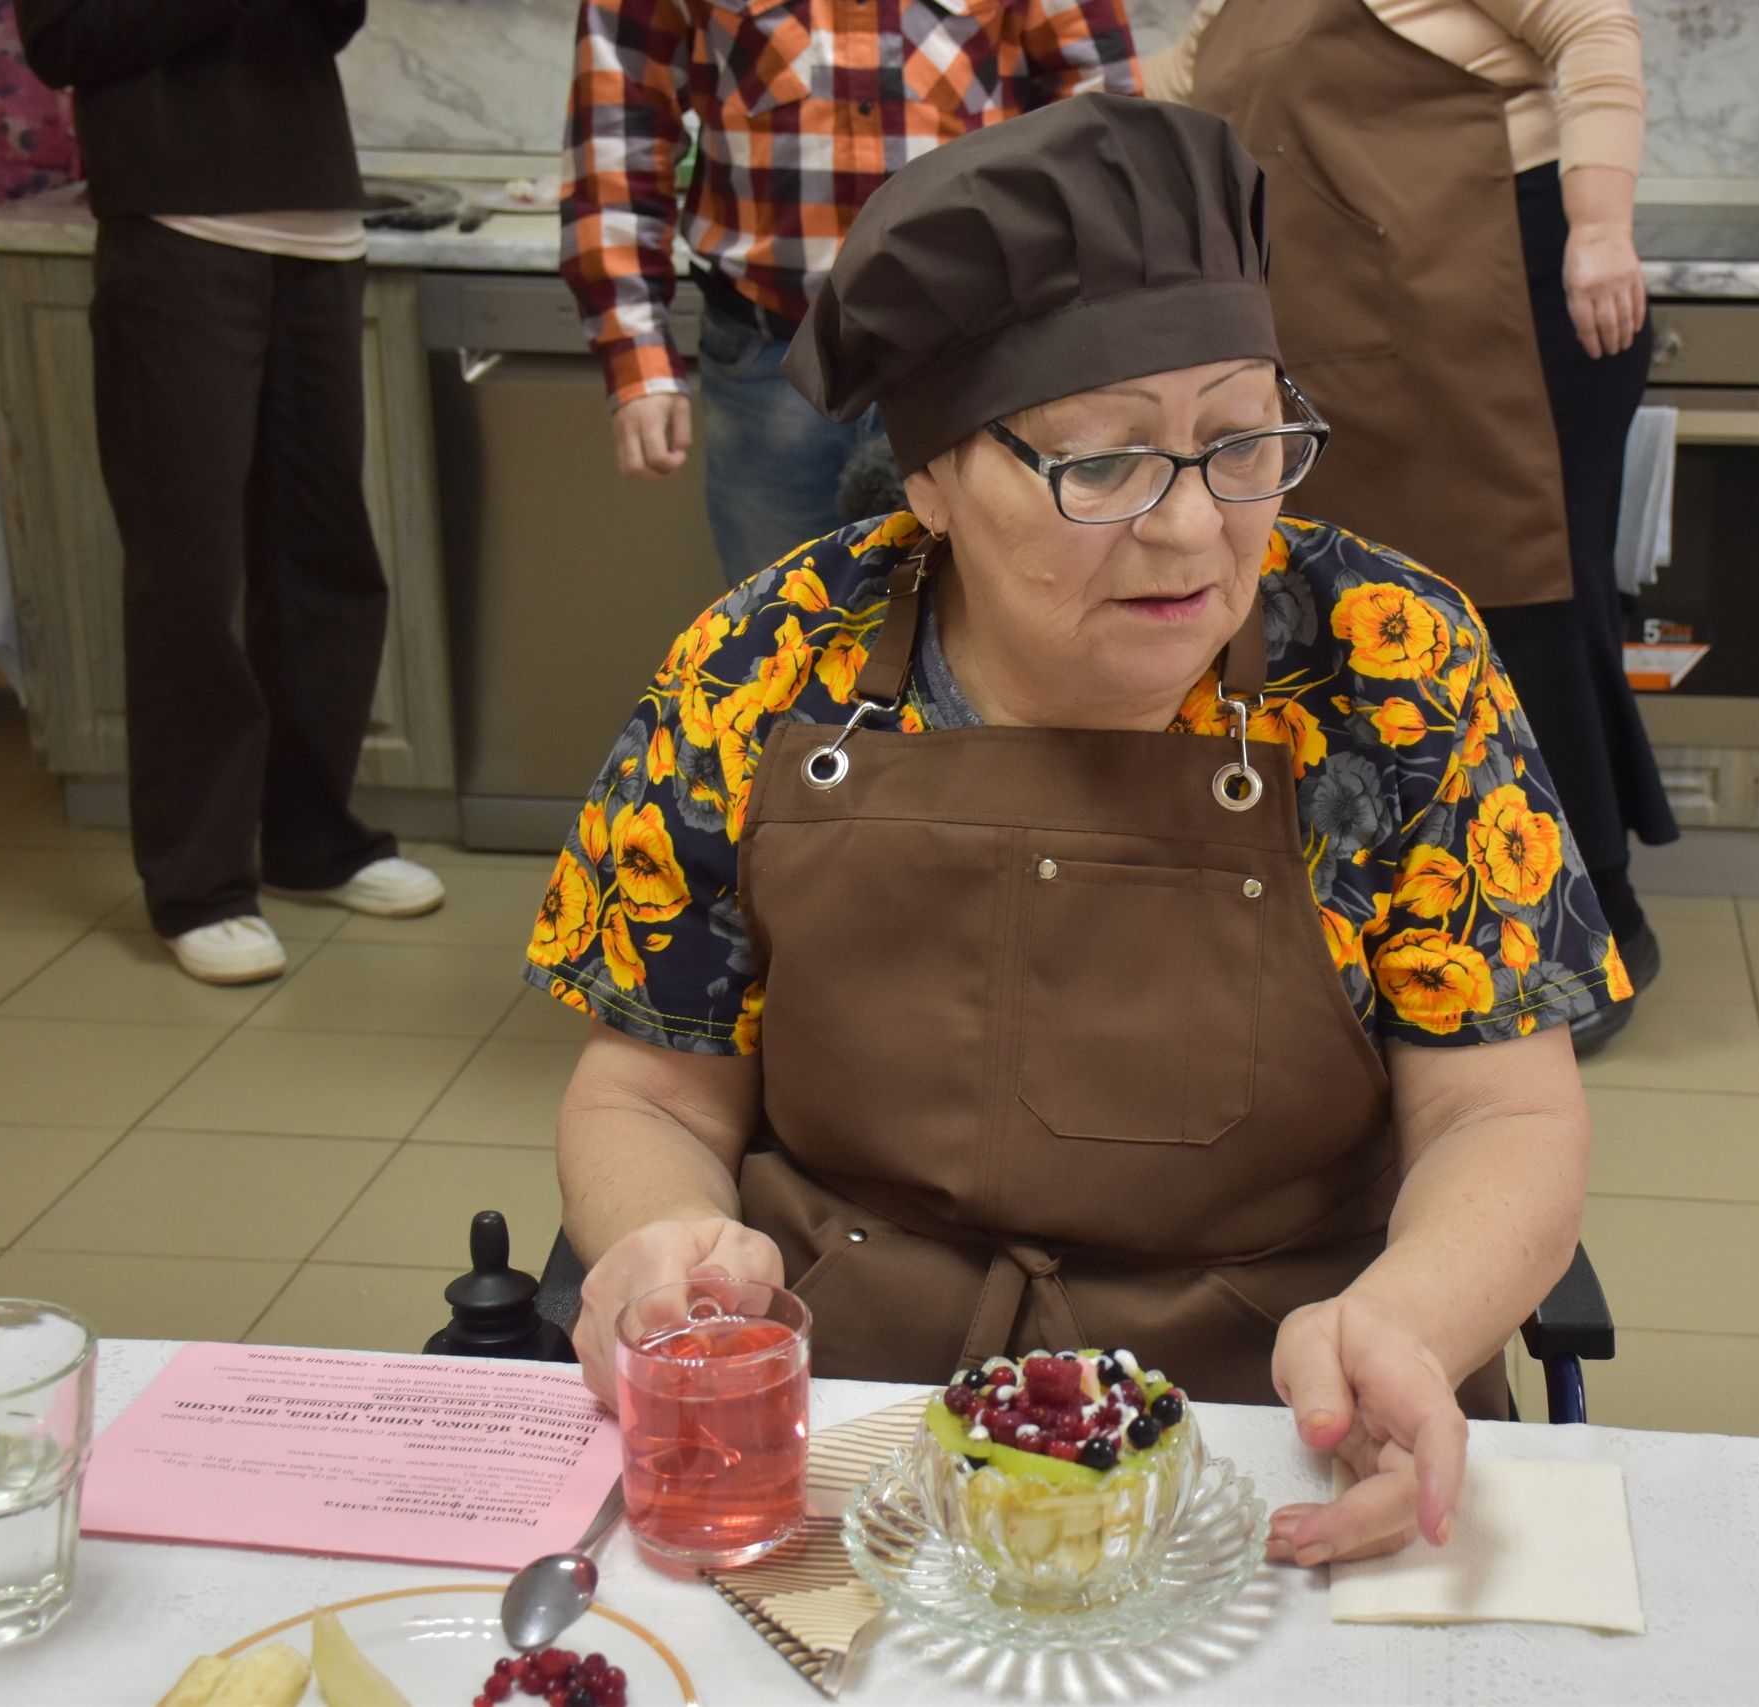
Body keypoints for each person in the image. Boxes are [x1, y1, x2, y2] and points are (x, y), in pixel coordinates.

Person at [527, 96, 1623, 1567]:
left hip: (1277, 1421)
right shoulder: (770, 663)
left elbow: (1501, 1112)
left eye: (1242, 439)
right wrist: (664, 1244)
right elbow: (653, 1097)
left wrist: (1409, 1319)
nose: (1194, 528)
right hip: (852, 1420)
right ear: (929, 477)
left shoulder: (1390, 665)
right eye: (1103, 462)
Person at [1154, 0, 1672, 1052]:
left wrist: (1601, 227)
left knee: (1523, 608)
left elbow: (1593, 31)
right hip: (1355, 338)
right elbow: (1162, 106)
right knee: (1363, 633)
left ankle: (1591, 938)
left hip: (1510, 308)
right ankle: (1407, 934)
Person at [18, 0, 444, 986]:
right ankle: (200, 886)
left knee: (326, 557)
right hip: (177, 225)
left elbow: (331, 24)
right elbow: (61, 41)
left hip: (318, 219)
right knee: (190, 571)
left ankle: (311, 838)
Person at [560, 0, 1143, 582]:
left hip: (974, 360)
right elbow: (619, 117)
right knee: (778, 620)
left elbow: (1100, 124)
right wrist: (635, 348)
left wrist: (1099, 339)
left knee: (981, 618)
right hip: (767, 361)